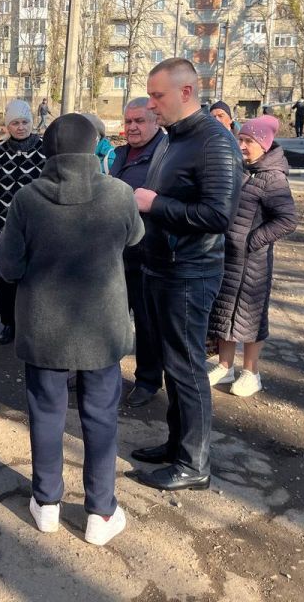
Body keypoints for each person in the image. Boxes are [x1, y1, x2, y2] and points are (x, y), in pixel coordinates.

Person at [0, 114, 144, 547]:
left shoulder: (27, 199)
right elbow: (135, 238)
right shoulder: (119, 194)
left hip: (45, 330)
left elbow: (8, 265)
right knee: (101, 418)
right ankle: (101, 511)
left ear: (48, 150)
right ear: (94, 146)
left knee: (46, 414)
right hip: (102, 327)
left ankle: (46, 504)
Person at [129, 58, 242, 492]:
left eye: (157, 96)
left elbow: (218, 214)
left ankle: (194, 463)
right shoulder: (175, 138)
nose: (152, 105)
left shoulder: (214, 142)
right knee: (172, 365)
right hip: (160, 266)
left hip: (190, 272)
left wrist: (153, 205)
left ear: (187, 92)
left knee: (187, 365)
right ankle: (177, 443)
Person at [207, 115, 297, 397]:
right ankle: (225, 366)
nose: (243, 146)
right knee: (224, 313)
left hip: (252, 262)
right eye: (241, 139)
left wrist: (251, 241)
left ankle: (251, 372)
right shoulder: (243, 169)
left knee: (249, 317)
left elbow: (287, 219)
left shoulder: (273, 177)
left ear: (265, 145)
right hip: (227, 257)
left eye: (249, 141)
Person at [109, 98, 167, 407]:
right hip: (117, 253)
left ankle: (147, 380)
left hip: (148, 252)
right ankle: (103, 374)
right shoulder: (118, 154)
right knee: (113, 317)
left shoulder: (165, 154)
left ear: (155, 120)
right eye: (128, 121)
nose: (132, 127)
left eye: (139, 121)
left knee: (146, 321)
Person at [0, 99, 46, 345]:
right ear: (7, 125)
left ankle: (32, 326)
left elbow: (52, 183)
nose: (20, 127)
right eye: (15, 123)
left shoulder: (44, 148)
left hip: (35, 228)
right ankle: (9, 324)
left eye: (25, 122)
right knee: (5, 279)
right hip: (2, 225)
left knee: (33, 279)